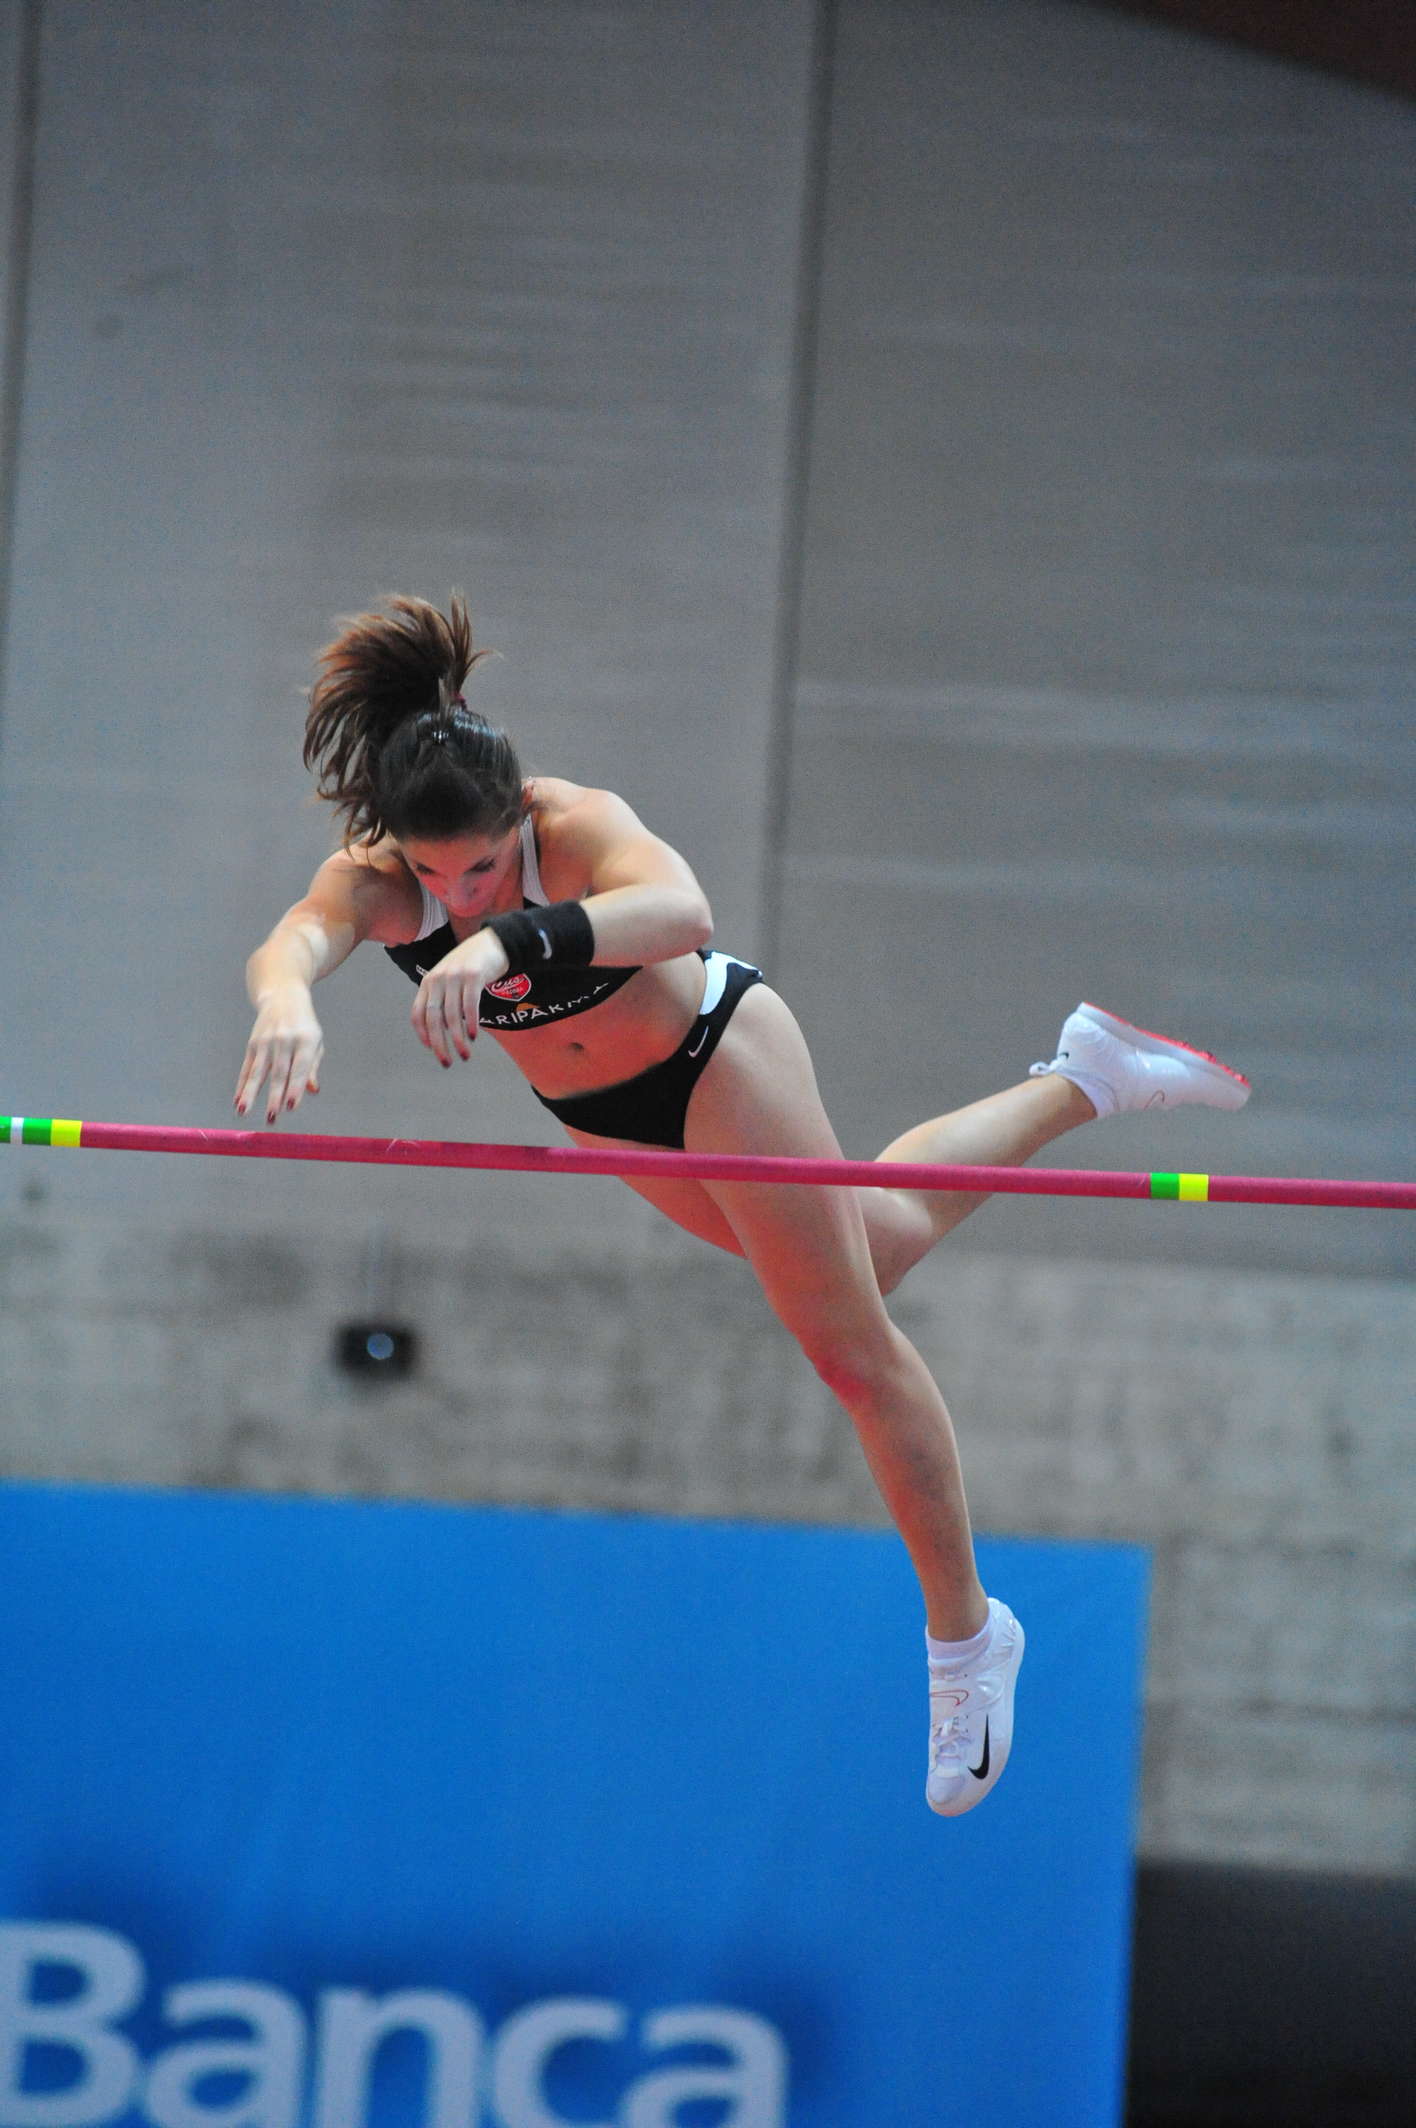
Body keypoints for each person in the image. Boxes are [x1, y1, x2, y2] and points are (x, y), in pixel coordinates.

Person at [237, 594, 1251, 1816]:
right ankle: (1088, 1074)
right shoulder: (389, 881)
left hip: (716, 1060)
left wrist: (511, 944)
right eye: (436, 877)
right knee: (881, 1243)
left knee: (849, 1349)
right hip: (611, 1120)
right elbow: (300, 935)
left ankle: (968, 1637)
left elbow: (682, 912)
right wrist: (286, 999)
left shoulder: (573, 824)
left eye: (484, 870)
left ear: (519, 822)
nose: (459, 900)